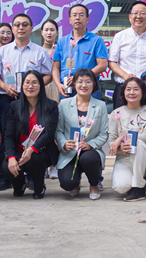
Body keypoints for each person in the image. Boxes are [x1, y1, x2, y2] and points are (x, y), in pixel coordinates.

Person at [0, 14, 53, 191]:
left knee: (34, 134)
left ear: (31, 28)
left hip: (33, 100)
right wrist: (4, 86)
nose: (21, 28)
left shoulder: (39, 52)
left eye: (25, 25)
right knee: (7, 135)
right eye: (17, 25)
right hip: (8, 98)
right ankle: (5, 176)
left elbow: (48, 75)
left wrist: (33, 88)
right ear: (12, 29)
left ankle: (33, 175)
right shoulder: (3, 51)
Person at [1, 71, 59, 199]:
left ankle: (39, 186)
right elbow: (9, 135)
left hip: (41, 150)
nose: (30, 86)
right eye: (27, 83)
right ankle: (20, 184)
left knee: (34, 159)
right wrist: (11, 157)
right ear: (22, 85)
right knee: (6, 167)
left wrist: (31, 150)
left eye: (34, 83)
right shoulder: (14, 106)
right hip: (18, 150)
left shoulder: (51, 106)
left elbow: (49, 134)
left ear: (41, 85)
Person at [55, 69, 108, 200]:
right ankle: (75, 183)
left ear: (94, 84)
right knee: (68, 183)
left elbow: (104, 134)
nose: (84, 85)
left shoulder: (100, 105)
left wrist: (90, 144)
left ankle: (94, 185)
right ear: (74, 84)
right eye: (80, 82)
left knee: (89, 158)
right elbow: (58, 130)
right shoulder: (64, 104)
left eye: (88, 82)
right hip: (70, 151)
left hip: (90, 151)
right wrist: (64, 143)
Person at [109, 1, 146, 109]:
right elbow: (112, 62)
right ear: (130, 17)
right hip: (124, 88)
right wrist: (125, 76)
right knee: (121, 118)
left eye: (143, 13)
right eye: (135, 13)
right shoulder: (120, 36)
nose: (138, 16)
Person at [108, 77, 146, 201]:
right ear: (123, 92)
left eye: (136, 89)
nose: (132, 92)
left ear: (143, 92)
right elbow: (111, 142)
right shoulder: (115, 113)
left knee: (138, 142)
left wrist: (122, 138)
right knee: (121, 187)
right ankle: (136, 180)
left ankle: (138, 188)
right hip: (124, 158)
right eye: (128, 89)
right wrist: (120, 148)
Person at [52, 4, 108, 100]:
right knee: (66, 110)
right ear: (70, 20)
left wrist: (79, 77)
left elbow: (102, 66)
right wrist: (58, 84)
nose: (77, 18)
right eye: (74, 15)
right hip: (67, 87)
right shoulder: (62, 41)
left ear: (87, 19)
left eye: (81, 15)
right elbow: (55, 67)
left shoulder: (96, 40)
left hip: (90, 88)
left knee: (93, 110)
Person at [40, 19, 60, 102]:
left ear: (57, 32)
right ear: (42, 32)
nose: (49, 33)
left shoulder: (61, 50)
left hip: (57, 86)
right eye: (46, 30)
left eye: (52, 30)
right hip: (42, 86)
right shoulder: (37, 51)